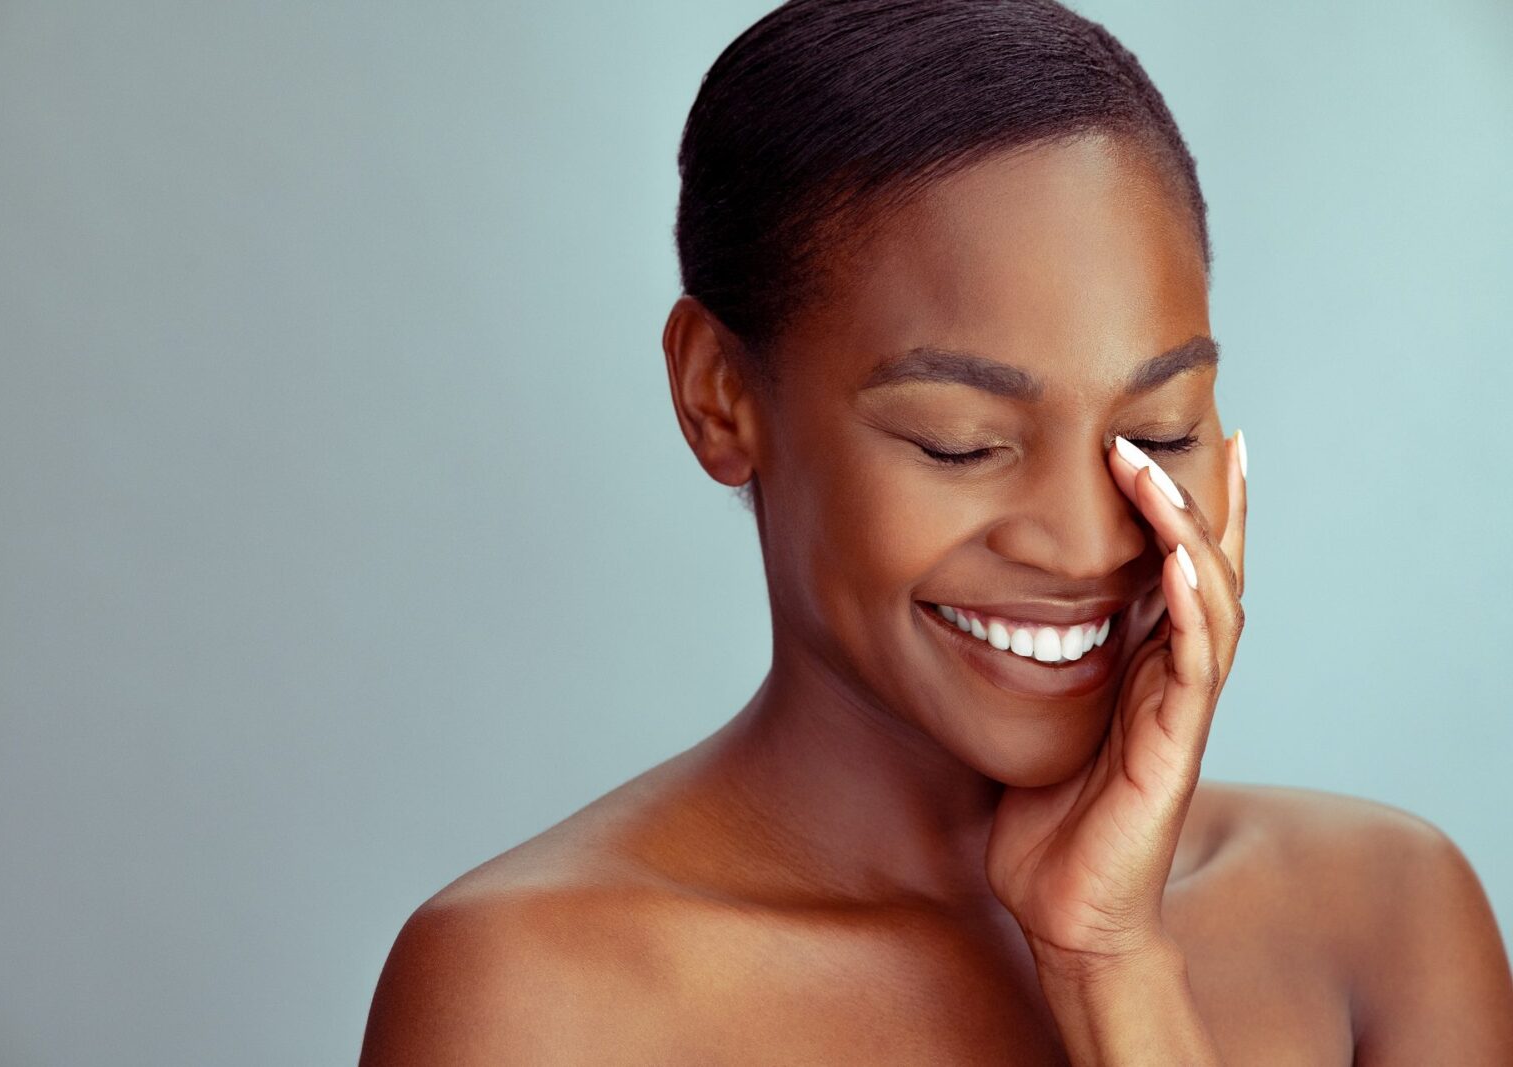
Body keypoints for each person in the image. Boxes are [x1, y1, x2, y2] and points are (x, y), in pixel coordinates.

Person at [359, 1, 1513, 1062]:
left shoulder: (1385, 916)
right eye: (961, 442)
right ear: (719, 394)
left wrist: (1110, 963)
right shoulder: (536, 995)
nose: (1082, 543)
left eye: (1159, 433)